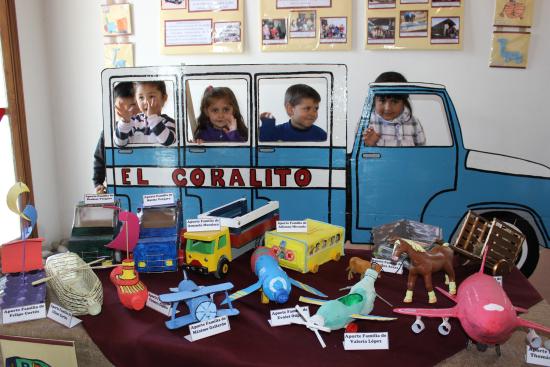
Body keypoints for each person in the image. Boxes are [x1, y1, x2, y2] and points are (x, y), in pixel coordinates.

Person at [93, 82, 139, 193]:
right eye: (122, 108)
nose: (128, 112)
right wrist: (98, 183)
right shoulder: (108, 133)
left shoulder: (149, 127)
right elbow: (99, 159)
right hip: (120, 186)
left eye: (133, 105)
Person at [363, 71, 425, 147]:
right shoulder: (366, 122)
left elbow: (421, 151)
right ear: (374, 100)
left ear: (404, 102)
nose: (387, 108)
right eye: (382, 101)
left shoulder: (414, 122)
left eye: (395, 102)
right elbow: (359, 152)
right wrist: (369, 145)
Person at [115, 81, 176, 147]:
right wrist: (125, 121)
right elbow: (120, 143)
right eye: (141, 97)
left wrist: (152, 117)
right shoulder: (133, 121)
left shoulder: (169, 122)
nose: (145, 102)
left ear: (164, 98)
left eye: (151, 96)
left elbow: (168, 141)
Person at [260, 84, 327, 142]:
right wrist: (267, 126)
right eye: (307, 108)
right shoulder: (276, 133)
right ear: (290, 109)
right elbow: (262, 149)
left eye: (316, 108)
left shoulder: (322, 135)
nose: (313, 113)